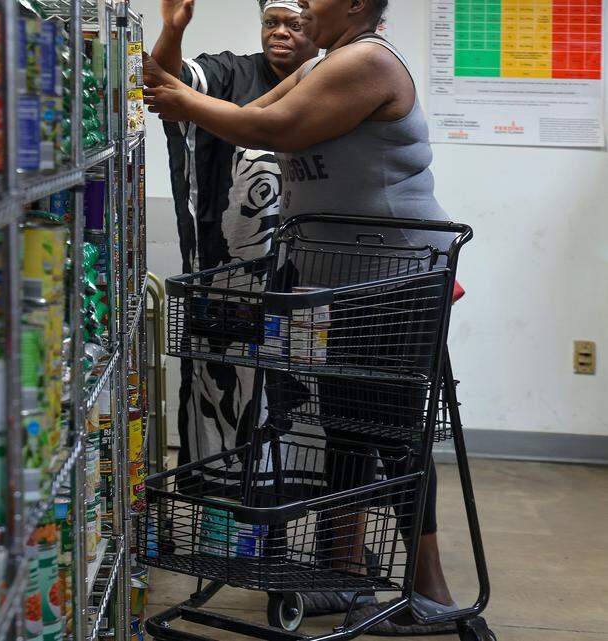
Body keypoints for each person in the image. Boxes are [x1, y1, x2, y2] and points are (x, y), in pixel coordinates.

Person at [145, 0, 462, 635]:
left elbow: (276, 131)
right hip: (339, 279)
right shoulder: (327, 62)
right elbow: (247, 118)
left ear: (352, 4)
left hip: (393, 280)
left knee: (394, 431)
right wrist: (173, 63)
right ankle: (345, 572)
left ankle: (433, 590)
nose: (301, 5)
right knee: (348, 427)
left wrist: (182, 102)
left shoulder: (367, 61)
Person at [154, 0, 318, 554]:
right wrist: (173, 30)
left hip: (303, 286)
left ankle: (285, 541)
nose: (281, 33)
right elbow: (170, 82)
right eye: (272, 22)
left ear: (316, 29)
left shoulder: (329, 79)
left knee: (299, 413)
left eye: (295, 24)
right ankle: (223, 540)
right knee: (224, 405)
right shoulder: (230, 72)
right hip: (229, 284)